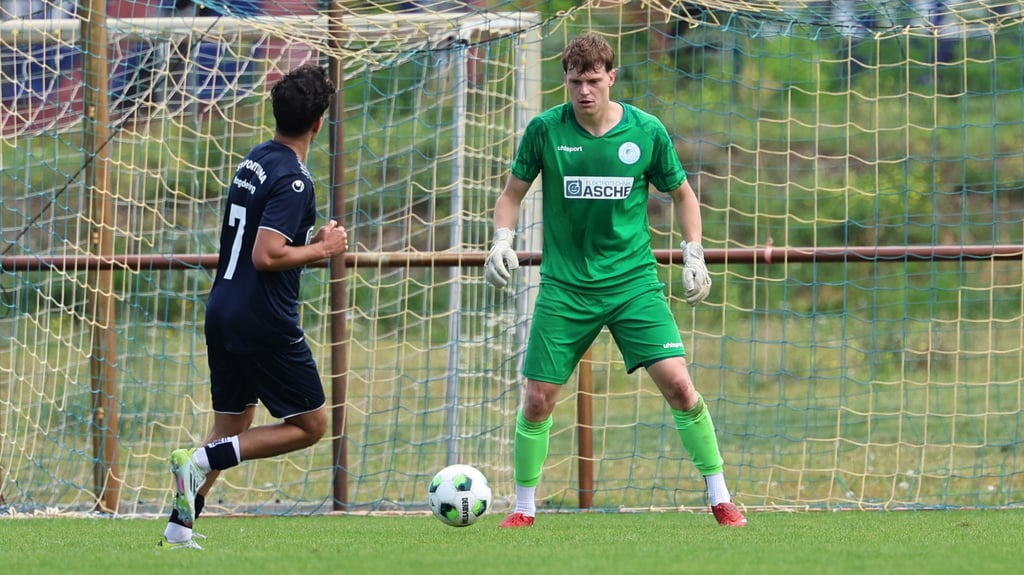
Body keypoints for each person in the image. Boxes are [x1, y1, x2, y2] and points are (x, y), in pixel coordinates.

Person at [483, 33, 746, 528]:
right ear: (566, 81)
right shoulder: (544, 130)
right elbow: (511, 194)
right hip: (565, 286)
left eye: (593, 80)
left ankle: (721, 498)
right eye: (575, 81)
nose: (584, 91)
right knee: (538, 399)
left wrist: (695, 253)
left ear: (611, 78)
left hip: (633, 285)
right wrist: (501, 240)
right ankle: (522, 509)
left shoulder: (646, 132)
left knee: (681, 388)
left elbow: (685, 195)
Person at [159, 63, 348, 549]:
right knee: (311, 426)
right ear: (319, 124)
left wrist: (309, 239)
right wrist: (323, 250)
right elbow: (267, 255)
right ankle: (199, 461)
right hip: (263, 320)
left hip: (223, 307)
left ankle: (179, 527)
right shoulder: (296, 180)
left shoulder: (255, 159)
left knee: (231, 424)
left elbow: (262, 242)